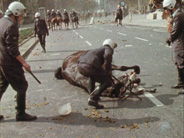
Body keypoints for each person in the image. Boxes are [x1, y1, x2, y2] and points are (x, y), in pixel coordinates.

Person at [0, 1, 37, 121]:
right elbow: (13, 50)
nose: (20, 18)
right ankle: (20, 114)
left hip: (1, 60)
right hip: (9, 63)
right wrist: (24, 63)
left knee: (1, 86)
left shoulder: (1, 22)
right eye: (20, 16)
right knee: (22, 86)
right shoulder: (11, 26)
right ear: (14, 13)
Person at [78, 39, 117, 109]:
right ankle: (93, 98)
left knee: (93, 77)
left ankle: (92, 94)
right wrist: (108, 70)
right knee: (108, 82)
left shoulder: (97, 49)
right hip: (89, 66)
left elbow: (81, 57)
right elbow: (108, 55)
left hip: (80, 66)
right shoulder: (107, 48)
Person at [163, 0, 184, 89]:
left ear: (171, 7)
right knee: (178, 61)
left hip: (180, 41)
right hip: (177, 40)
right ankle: (181, 82)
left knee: (181, 62)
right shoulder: (176, 15)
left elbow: (175, 30)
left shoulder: (178, 15)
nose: (165, 11)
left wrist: (169, 39)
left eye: (166, 8)